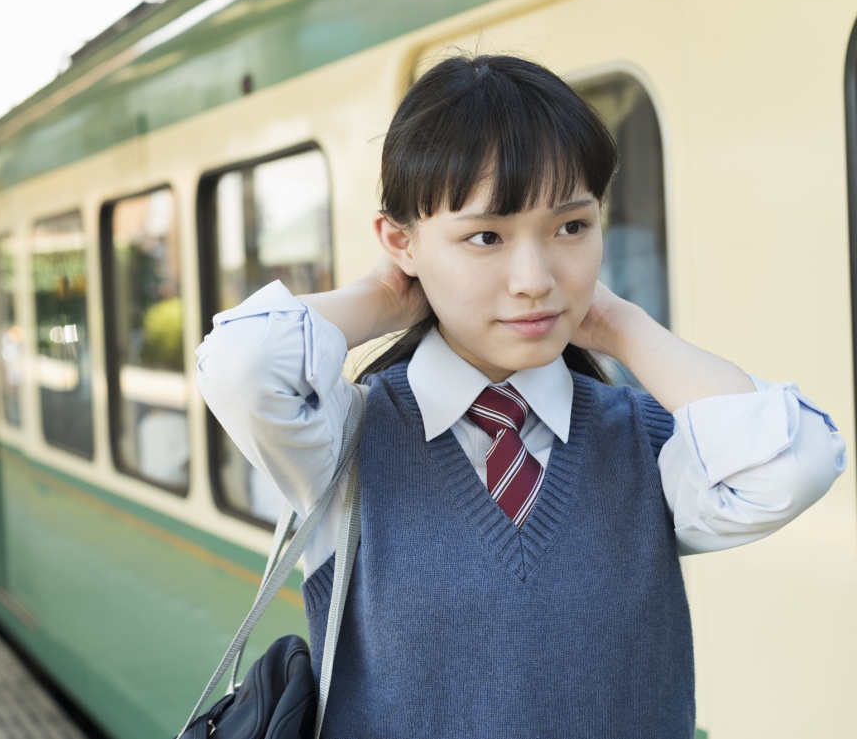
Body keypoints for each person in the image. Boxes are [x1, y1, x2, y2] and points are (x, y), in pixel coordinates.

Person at [194, 54, 845, 737]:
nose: (535, 279)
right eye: (486, 236)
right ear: (399, 239)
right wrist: (385, 296)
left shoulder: (643, 442)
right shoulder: (344, 441)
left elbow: (794, 461)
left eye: (571, 227)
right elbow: (241, 367)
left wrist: (619, 325)